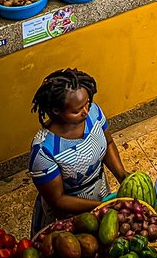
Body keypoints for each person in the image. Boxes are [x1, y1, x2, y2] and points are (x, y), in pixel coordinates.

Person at [29, 68, 128, 235]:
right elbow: (58, 200)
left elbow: (109, 143)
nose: (86, 111)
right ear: (56, 111)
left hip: (100, 192)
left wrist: (123, 176)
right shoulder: (44, 150)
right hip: (68, 215)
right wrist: (100, 207)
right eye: (77, 110)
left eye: (87, 103)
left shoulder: (94, 113)